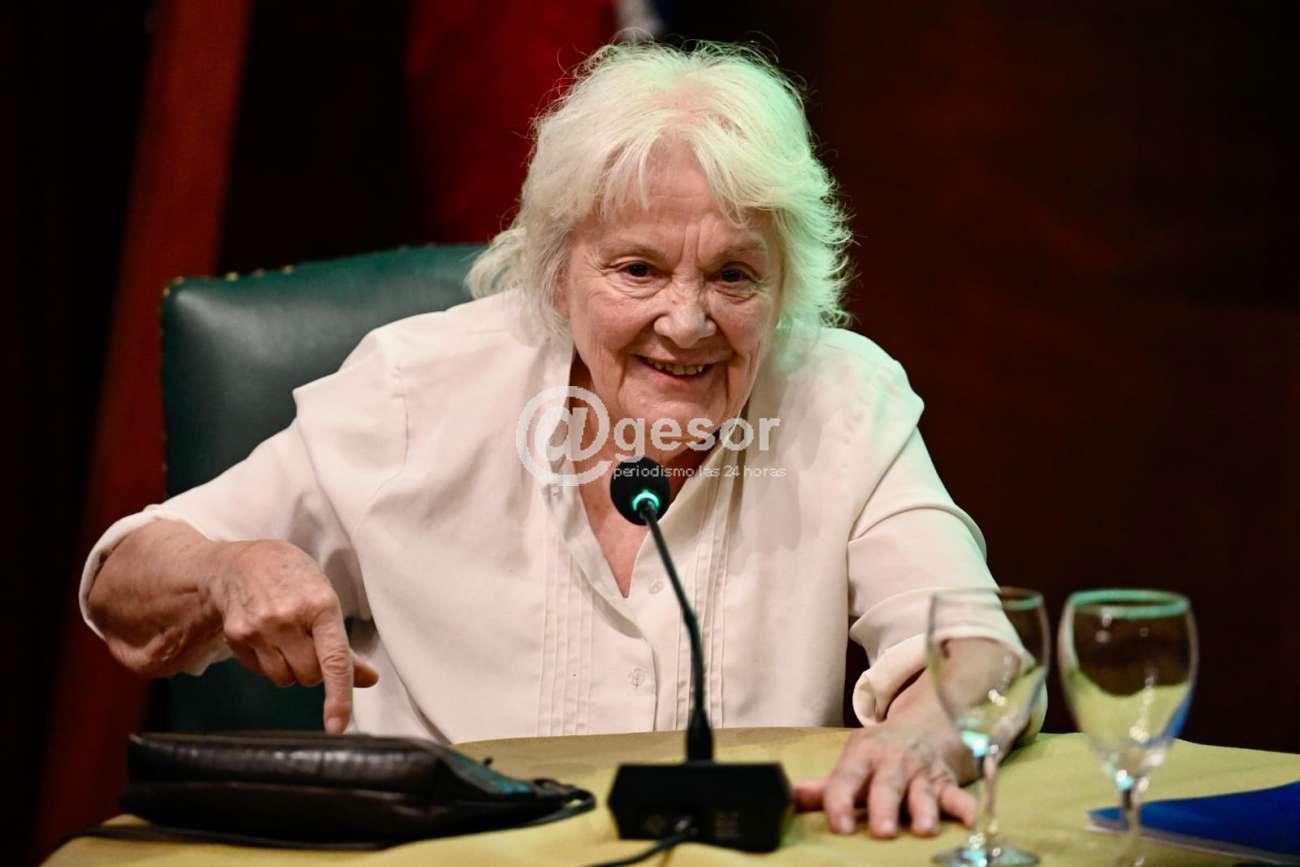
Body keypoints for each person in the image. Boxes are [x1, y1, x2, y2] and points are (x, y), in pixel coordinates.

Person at [82, 42, 1039, 840]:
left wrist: (918, 737)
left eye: (734, 276)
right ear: (556, 269)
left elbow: (975, 649)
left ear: (786, 285)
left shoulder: (842, 398)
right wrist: (227, 570)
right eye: (638, 269)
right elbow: (124, 578)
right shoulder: (415, 391)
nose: (688, 322)